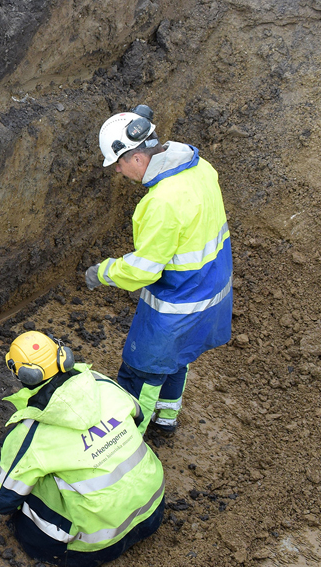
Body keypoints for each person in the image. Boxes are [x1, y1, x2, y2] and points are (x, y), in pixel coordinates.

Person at [85, 104, 233, 435]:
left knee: (141, 371)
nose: (119, 172)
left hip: (178, 304)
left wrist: (103, 272)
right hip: (212, 291)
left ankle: (125, 438)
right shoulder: (200, 168)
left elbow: (144, 271)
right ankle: (166, 418)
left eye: (118, 164)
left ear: (136, 157)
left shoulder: (162, 202)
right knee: (179, 356)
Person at [0, 331, 165, 567]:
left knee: (27, 506)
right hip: (152, 511)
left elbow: (3, 502)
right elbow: (137, 417)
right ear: (63, 356)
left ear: (21, 374)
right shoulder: (101, 383)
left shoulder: (31, 435)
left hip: (95, 546)